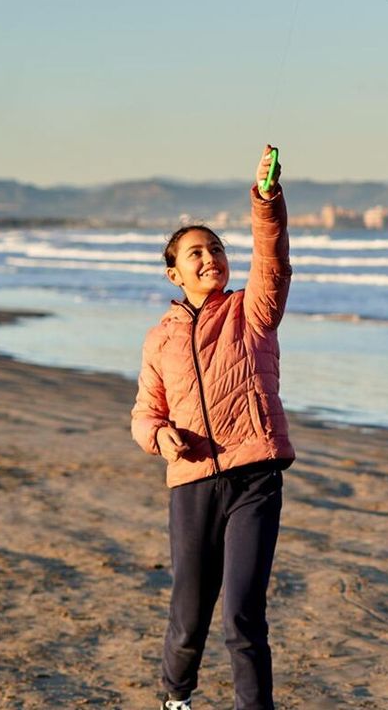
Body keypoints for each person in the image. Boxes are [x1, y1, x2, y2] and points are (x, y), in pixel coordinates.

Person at [131, 146, 293, 710]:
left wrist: (266, 200)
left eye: (217, 249)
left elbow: (272, 261)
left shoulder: (252, 311)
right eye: (196, 252)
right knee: (189, 613)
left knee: (243, 613)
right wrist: (160, 436)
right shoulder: (159, 339)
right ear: (174, 272)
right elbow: (144, 413)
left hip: (256, 477)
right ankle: (177, 698)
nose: (211, 258)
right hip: (192, 483)